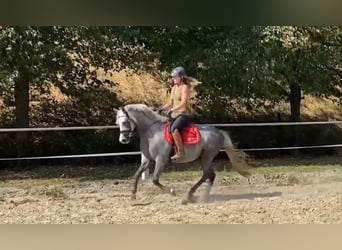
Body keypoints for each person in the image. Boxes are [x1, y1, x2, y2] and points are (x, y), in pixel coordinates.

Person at [160, 66, 193, 161]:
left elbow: (183, 103)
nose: (173, 79)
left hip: (183, 114)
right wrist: (160, 109)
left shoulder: (185, 87)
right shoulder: (174, 88)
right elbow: (170, 102)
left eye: (175, 77)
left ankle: (181, 152)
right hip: (174, 114)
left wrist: (172, 109)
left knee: (174, 129)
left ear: (181, 77)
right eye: (172, 77)